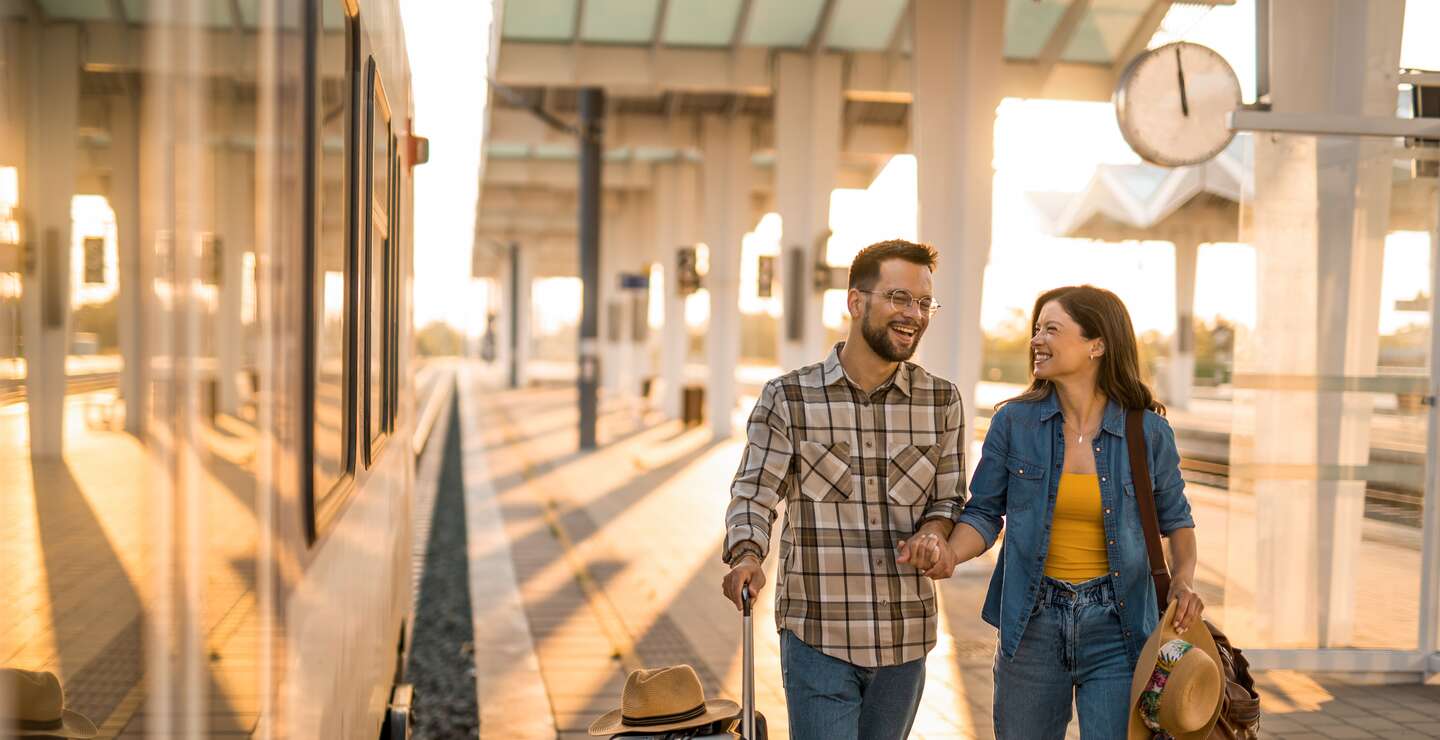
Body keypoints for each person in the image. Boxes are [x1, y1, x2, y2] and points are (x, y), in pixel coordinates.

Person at [719, 239, 966, 740]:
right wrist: (747, 554)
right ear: (856, 302)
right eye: (899, 298)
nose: (913, 315)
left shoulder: (941, 400)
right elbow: (755, 493)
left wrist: (936, 535)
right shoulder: (789, 397)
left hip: (905, 639)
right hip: (819, 636)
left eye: (923, 303)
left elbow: (947, 499)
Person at [936, 285, 1204, 739]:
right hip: (1032, 622)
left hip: (1120, 628)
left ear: (1096, 344)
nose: (1037, 340)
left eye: (1052, 329)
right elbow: (983, 514)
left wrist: (1182, 582)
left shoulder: (1148, 431)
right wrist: (949, 554)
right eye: (1036, 329)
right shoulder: (1013, 423)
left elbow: (1176, 521)